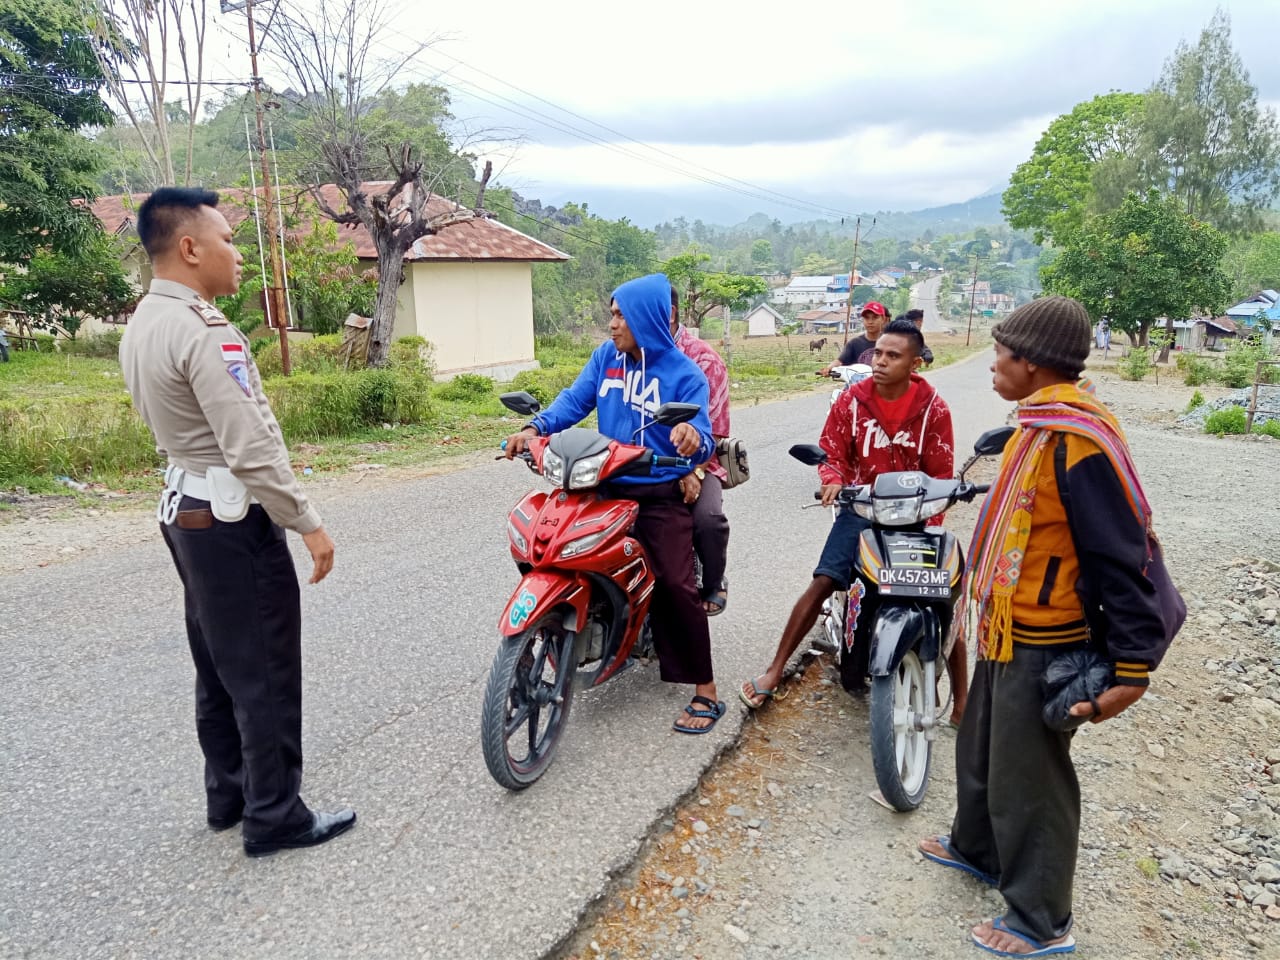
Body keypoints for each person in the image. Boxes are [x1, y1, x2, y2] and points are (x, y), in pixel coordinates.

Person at [917, 296, 1166, 957]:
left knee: (1032, 778)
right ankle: (977, 849)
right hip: (1007, 621)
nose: (992, 363)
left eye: (1001, 352)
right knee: (983, 750)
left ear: (1030, 364)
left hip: (1046, 635)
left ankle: (1041, 919)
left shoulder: (1079, 442)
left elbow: (1123, 554)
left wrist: (1132, 665)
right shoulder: (1039, 423)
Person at [119, 187, 355, 858]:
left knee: (218, 658)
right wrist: (306, 521)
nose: (239, 254)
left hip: (184, 508)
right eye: (228, 241)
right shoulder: (203, 328)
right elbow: (249, 445)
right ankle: (275, 815)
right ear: (189, 248)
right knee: (264, 667)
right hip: (230, 516)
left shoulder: (145, 321)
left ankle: (230, 793)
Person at [504, 273, 725, 734]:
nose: (612, 324)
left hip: (655, 490)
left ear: (646, 317)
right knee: (558, 544)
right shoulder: (607, 358)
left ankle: (705, 691)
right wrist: (535, 430)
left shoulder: (685, 373)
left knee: (673, 584)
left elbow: (704, 433)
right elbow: (575, 401)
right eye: (611, 314)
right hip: (600, 481)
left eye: (621, 315)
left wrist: (691, 439)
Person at [740, 318, 963, 717]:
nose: (880, 361)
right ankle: (774, 671)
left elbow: (941, 474)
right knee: (825, 580)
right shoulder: (851, 401)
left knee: (942, 591)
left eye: (893, 355)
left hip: (914, 518)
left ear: (915, 364)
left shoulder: (934, 410)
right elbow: (832, 450)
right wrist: (831, 478)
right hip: (863, 508)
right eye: (878, 353)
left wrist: (932, 518)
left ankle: (962, 700)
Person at [669, 287, 731, 616]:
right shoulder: (629, 355)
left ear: (670, 314)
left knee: (708, 520)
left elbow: (716, 430)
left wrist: (693, 469)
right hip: (640, 463)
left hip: (699, 461)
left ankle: (714, 580)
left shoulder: (704, 360)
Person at [818, 300, 888, 375]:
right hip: (858, 383)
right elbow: (840, 361)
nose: (870, 322)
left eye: (875, 317)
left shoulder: (890, 343)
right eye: (867, 318)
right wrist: (828, 368)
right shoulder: (854, 343)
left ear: (883, 319)